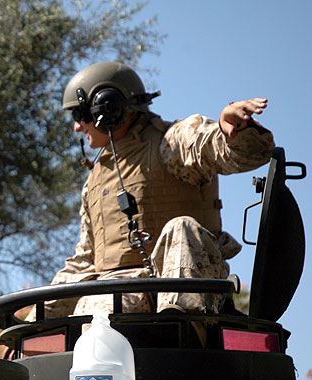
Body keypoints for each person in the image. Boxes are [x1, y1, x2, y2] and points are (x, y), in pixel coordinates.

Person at [33, 61, 275, 319]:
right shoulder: (94, 183)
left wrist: (234, 132)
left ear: (108, 108)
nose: (77, 127)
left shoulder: (171, 144)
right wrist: (30, 324)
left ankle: (182, 327)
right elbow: (83, 263)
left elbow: (219, 147)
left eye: (80, 115)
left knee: (181, 227)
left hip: (187, 287)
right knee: (96, 325)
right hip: (119, 292)